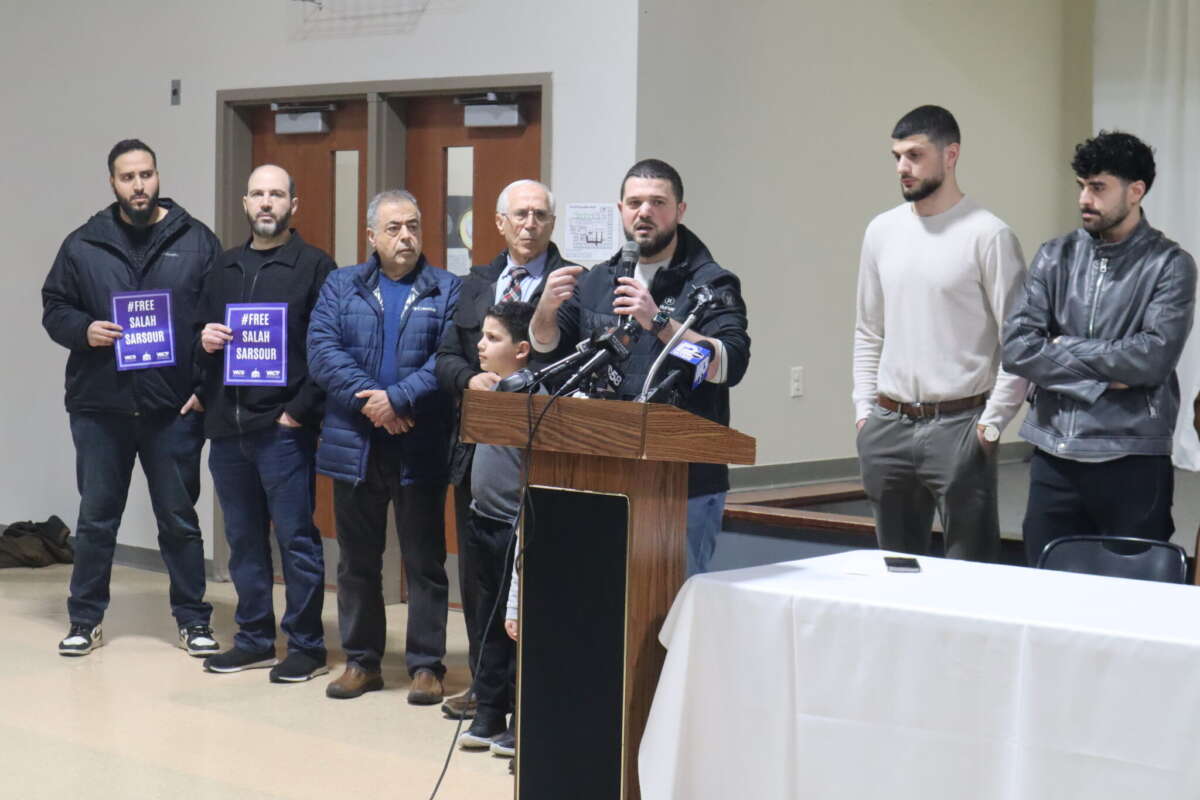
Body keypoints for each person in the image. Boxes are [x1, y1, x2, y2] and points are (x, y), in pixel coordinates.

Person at [42, 139, 221, 657]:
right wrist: (84, 329)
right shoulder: (83, 244)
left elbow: (218, 319)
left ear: (158, 176)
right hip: (101, 408)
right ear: (113, 183)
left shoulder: (197, 241)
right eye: (128, 177)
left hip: (173, 410)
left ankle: (193, 621)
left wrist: (204, 391)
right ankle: (84, 620)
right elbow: (54, 307)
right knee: (96, 519)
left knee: (179, 521)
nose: (139, 186)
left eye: (146, 175)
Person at [529, 159, 751, 577]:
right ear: (620, 210)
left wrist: (660, 323)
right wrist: (543, 310)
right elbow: (547, 348)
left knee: (675, 611)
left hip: (684, 485)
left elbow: (729, 363)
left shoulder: (711, 285)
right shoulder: (598, 280)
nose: (644, 212)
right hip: (601, 473)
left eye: (657, 202)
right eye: (634, 203)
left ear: (679, 211)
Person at [1002, 131, 1196, 565]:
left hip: (1132, 455)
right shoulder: (1055, 256)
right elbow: (1016, 347)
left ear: (1136, 191)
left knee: (1130, 600)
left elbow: (1150, 360)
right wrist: (1104, 375)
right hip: (1054, 452)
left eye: (1098, 187)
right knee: (1045, 588)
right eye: (1081, 186)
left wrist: (1060, 348)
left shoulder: (1170, 265)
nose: (1085, 199)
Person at [852, 105, 1027, 562]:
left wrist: (991, 426)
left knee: (971, 573)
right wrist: (863, 411)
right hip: (888, 423)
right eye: (896, 156)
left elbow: (1020, 342)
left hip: (960, 424)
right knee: (894, 570)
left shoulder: (989, 235)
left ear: (951, 155)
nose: (902, 168)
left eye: (914, 155)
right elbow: (869, 330)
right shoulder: (882, 231)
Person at [308, 189, 461, 703]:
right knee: (357, 561)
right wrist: (372, 403)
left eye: (413, 226)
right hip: (355, 445)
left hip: (419, 445)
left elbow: (447, 359)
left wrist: (396, 400)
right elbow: (322, 352)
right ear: (371, 235)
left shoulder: (447, 289)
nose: (406, 237)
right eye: (394, 228)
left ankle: (425, 666)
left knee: (424, 560)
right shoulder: (340, 285)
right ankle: (362, 661)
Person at [435, 178, 575, 719]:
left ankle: (528, 697)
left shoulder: (572, 285)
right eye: (519, 214)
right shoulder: (476, 283)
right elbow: (447, 355)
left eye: (540, 214)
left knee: (530, 588)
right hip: (477, 454)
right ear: (499, 222)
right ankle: (485, 689)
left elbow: (576, 356)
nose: (529, 224)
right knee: (479, 580)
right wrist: (470, 380)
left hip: (538, 457)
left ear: (552, 224)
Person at [195, 165, 335, 681]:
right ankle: (254, 638)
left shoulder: (315, 267)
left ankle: (305, 645)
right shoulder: (223, 268)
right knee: (243, 540)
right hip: (227, 429)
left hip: (283, 430)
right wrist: (202, 342)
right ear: (245, 203)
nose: (267, 202)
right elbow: (198, 340)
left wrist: (297, 412)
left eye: (277, 193)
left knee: (296, 539)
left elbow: (325, 353)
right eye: (258, 193)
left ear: (293, 204)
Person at [454, 301, 534, 754]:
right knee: (485, 621)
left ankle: (522, 718)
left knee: (515, 625)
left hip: (513, 530)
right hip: (481, 520)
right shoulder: (487, 391)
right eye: (481, 337)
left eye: (493, 338)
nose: (481, 346)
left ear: (522, 349)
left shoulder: (528, 398)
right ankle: (487, 711)